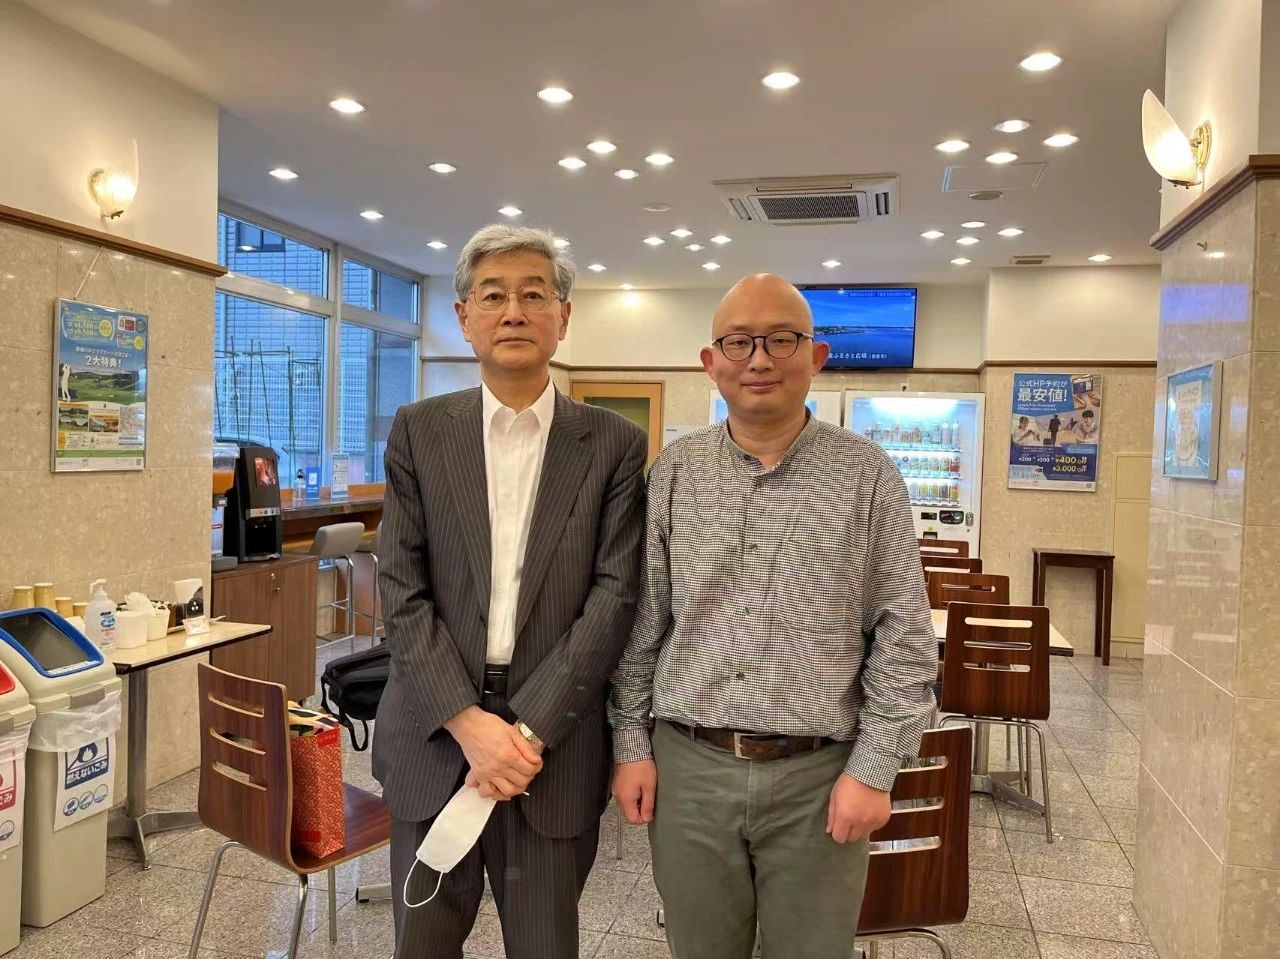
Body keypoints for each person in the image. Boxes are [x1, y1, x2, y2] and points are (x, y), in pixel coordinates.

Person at [608, 274, 938, 959]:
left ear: (816, 356)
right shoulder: (675, 472)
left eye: (781, 340)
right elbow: (643, 623)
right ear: (712, 362)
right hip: (690, 768)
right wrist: (631, 744)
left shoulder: (867, 474)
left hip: (821, 775)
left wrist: (875, 767)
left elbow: (905, 632)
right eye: (739, 342)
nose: (759, 359)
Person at [375, 224, 647, 959]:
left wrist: (525, 734)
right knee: (422, 947)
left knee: (545, 946)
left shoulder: (613, 444)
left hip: (551, 749)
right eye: (493, 296)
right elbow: (400, 585)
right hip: (435, 734)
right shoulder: (420, 431)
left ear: (564, 315)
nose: (515, 312)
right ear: (464, 317)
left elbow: (614, 598)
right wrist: (468, 723)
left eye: (535, 295)